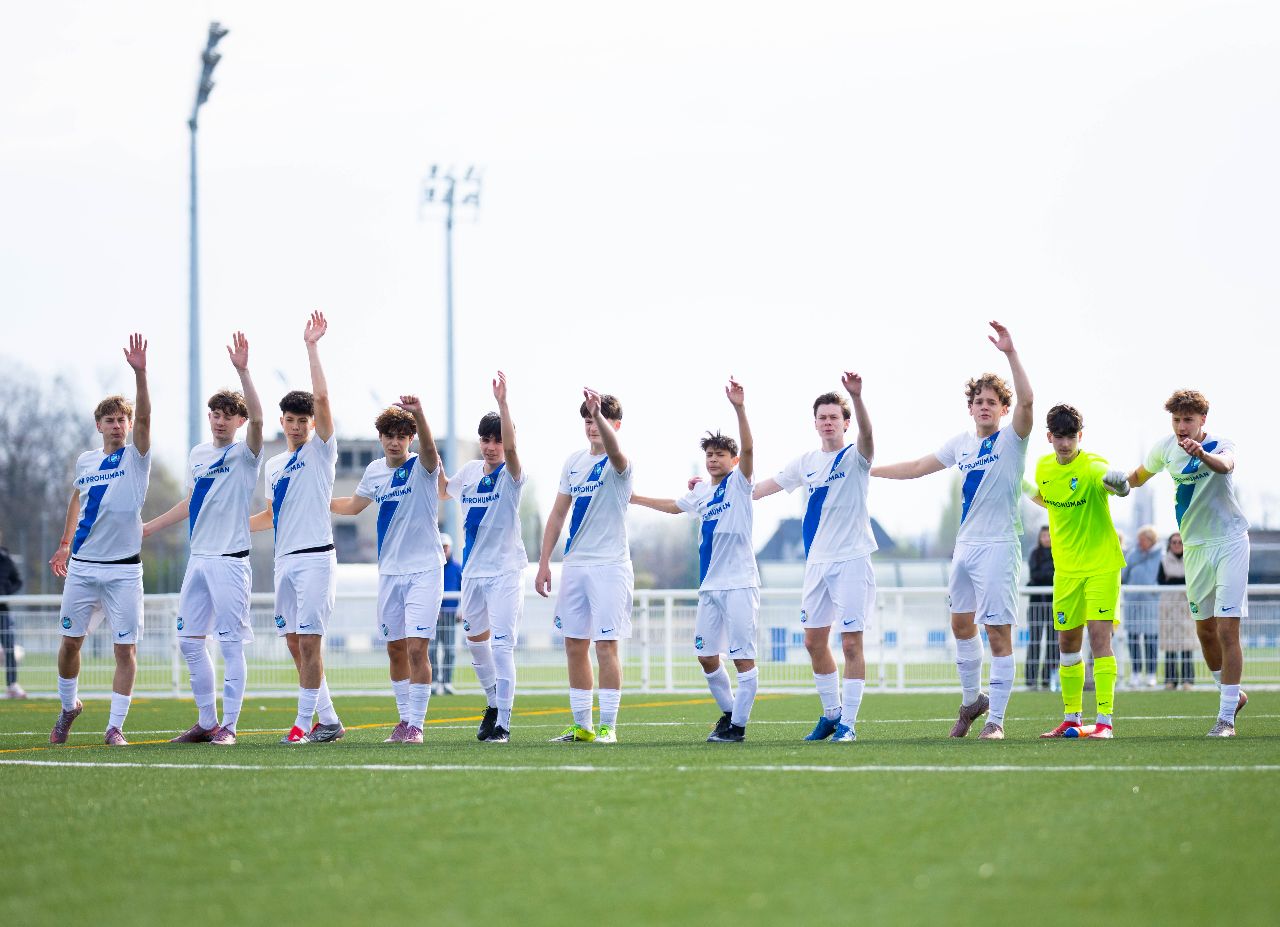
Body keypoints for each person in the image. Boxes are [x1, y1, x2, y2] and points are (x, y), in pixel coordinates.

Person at [871, 321, 1032, 739]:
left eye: (992, 402)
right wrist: (868, 469)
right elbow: (915, 468)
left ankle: (995, 720)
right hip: (965, 546)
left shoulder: (1012, 439)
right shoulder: (961, 443)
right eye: (979, 401)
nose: (984, 406)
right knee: (961, 625)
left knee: (997, 632)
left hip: (999, 546)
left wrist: (1010, 353)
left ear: (1003, 408)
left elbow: (1029, 401)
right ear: (970, 408)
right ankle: (972, 701)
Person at [143, 332, 264, 745]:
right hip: (198, 559)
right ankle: (207, 722)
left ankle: (229, 726)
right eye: (215, 414)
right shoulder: (197, 454)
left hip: (230, 561)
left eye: (229, 415)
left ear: (239, 421)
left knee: (230, 645)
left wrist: (243, 371)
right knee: (190, 642)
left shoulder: (245, 454)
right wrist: (148, 527)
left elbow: (260, 421)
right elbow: (192, 501)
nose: (220, 420)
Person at [631, 377, 760, 743]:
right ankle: (730, 714)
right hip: (710, 587)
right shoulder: (702, 492)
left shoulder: (740, 484)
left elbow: (750, 449)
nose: (714, 459)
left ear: (733, 460)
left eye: (721, 454)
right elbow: (675, 506)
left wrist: (739, 408)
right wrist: (636, 498)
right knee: (705, 656)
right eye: (709, 455)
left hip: (739, 584)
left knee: (743, 659)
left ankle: (738, 728)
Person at [754, 373, 874, 743]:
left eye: (834, 417)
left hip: (851, 560)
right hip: (817, 563)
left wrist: (857, 397)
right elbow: (761, 488)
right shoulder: (805, 462)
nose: (828, 422)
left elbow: (869, 436)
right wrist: (721, 488)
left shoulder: (856, 456)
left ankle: (849, 724)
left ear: (846, 422)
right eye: (822, 417)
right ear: (815, 423)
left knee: (851, 644)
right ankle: (832, 715)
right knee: (813, 642)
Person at [48, 334, 151, 746]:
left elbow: (146, 418)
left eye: (122, 420)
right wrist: (64, 543)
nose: (117, 425)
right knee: (70, 643)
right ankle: (68, 707)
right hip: (84, 567)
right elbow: (77, 497)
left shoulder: (136, 457)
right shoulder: (86, 461)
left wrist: (140, 374)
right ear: (99, 425)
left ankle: (115, 727)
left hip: (124, 571)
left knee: (125, 651)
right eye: (110, 420)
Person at [1127, 390, 1250, 736]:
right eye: (1177, 420)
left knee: (1227, 628)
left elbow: (1226, 465)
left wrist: (1202, 454)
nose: (1181, 426)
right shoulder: (1165, 447)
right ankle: (1233, 695)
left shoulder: (1221, 444)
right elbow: (1138, 476)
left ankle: (1225, 718)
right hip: (1195, 548)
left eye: (1188, 420)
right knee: (1205, 631)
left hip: (1229, 542)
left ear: (1202, 420)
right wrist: (1117, 484)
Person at [251, 311, 345, 745]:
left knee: (310, 643)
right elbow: (271, 517)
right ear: (282, 421)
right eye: (290, 419)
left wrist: (311, 348)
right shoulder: (273, 465)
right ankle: (329, 719)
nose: (296, 425)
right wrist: (225, 529)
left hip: (316, 560)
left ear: (312, 424)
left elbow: (322, 397)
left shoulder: (321, 451)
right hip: (284, 562)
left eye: (303, 420)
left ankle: (302, 724)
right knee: (293, 643)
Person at [330, 397, 443, 745]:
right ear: (380, 438)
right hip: (390, 573)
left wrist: (419, 415)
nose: (394, 442)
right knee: (395, 648)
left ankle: (417, 725)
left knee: (417, 648)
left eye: (401, 436)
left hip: (425, 571)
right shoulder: (374, 471)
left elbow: (430, 450)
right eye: (388, 436)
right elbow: (353, 505)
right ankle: (404, 719)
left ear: (410, 438)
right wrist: (316, 500)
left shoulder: (423, 465)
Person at [535, 388, 632, 744]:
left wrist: (600, 415)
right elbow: (558, 513)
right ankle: (583, 726)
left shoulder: (619, 463)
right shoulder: (573, 462)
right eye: (588, 420)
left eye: (600, 420)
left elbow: (615, 451)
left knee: (606, 647)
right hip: (575, 566)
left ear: (615, 424)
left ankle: (608, 726)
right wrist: (544, 562)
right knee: (574, 645)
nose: (593, 426)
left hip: (610, 566)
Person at [1030, 404, 1130, 739]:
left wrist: (1121, 486)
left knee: (1100, 639)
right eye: (1059, 437)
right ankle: (1071, 719)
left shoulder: (1092, 465)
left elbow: (1113, 483)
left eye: (1070, 437)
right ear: (1049, 437)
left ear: (1080, 436)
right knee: (1068, 644)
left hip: (1101, 566)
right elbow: (1045, 498)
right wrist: (1020, 488)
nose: (1065, 443)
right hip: (1066, 571)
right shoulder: (1043, 467)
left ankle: (1104, 722)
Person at [444, 371, 528, 742]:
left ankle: (504, 724)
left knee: (501, 646)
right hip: (473, 574)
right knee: (475, 644)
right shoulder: (468, 472)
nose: (491, 447)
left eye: (497, 440)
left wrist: (503, 403)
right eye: (486, 440)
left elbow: (513, 452)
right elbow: (442, 489)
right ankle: (493, 704)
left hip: (506, 572)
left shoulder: (512, 474)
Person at [1120, 525, 1162, 688]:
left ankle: (1151, 674)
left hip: (1151, 603)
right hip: (1133, 602)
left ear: (1151, 540)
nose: (1140, 543)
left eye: (1143, 540)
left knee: (1151, 639)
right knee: (1133, 638)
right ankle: (1135, 673)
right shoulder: (1133, 554)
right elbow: (1124, 575)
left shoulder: (1160, 555)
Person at [1157, 533, 1195, 689]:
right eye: (1174, 542)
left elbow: (1192, 579)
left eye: (1180, 542)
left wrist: (1173, 579)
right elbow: (1161, 581)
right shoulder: (1164, 561)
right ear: (1169, 544)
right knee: (1170, 644)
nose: (1177, 544)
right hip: (1169, 606)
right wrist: (1180, 580)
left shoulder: (1191, 558)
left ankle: (1188, 680)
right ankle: (1170, 680)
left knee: (1187, 644)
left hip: (1186, 605)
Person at [1024, 525, 1057, 691]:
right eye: (1044, 535)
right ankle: (1031, 679)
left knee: (1053, 642)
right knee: (1035, 641)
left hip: (1054, 603)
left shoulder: (1059, 552)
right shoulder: (1034, 554)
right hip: (1036, 603)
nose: (1046, 538)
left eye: (1049, 535)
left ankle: (1047, 678)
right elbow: (1035, 575)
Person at [434, 533, 461, 695]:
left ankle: (447, 682)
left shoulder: (457, 568)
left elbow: (465, 591)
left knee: (450, 650)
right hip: (433, 617)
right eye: (441, 547)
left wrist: (462, 611)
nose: (444, 550)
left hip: (451, 616)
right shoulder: (431, 567)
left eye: (446, 547)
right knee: (431, 650)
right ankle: (432, 682)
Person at [0, 528, 26, 698]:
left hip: (2, 610)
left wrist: (6, 592)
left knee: (9, 647)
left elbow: (18, 581)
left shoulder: (5, 559)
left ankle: (12, 685)